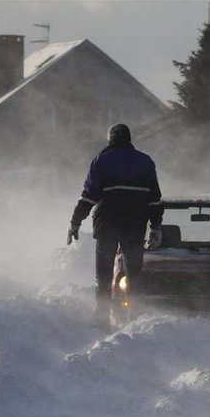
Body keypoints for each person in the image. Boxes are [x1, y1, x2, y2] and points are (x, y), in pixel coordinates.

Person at [67, 123, 163, 325]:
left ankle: (101, 316)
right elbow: (154, 199)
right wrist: (155, 226)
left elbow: (89, 196)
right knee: (134, 274)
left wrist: (75, 222)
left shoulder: (101, 161)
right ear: (129, 139)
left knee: (104, 274)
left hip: (106, 226)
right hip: (135, 226)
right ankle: (135, 317)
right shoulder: (145, 162)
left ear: (110, 138)